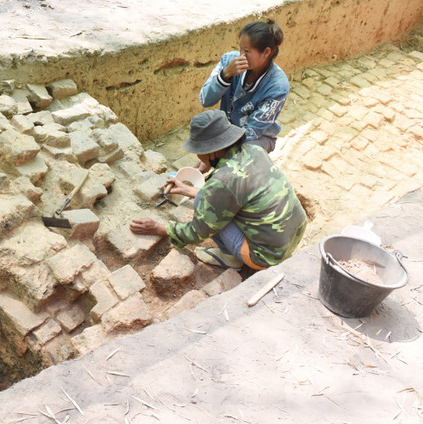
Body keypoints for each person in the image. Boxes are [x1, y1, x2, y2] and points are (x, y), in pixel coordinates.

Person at [130, 110, 306, 270]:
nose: (197, 155)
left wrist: (158, 227)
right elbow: (234, 194)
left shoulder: (223, 181)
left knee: (203, 204)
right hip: (295, 233)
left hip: (267, 256)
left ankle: (231, 259)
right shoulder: (254, 149)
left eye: (198, 150)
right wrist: (187, 190)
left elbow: (197, 233)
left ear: (211, 152)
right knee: (206, 199)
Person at [198, 19, 288, 170]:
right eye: (240, 49)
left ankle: (218, 176)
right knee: (200, 133)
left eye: (247, 52)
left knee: (233, 163)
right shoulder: (228, 61)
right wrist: (225, 75)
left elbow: (252, 131)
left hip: (256, 138)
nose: (241, 55)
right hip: (228, 128)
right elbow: (205, 100)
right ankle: (204, 166)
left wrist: (218, 149)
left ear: (266, 52)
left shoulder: (277, 86)